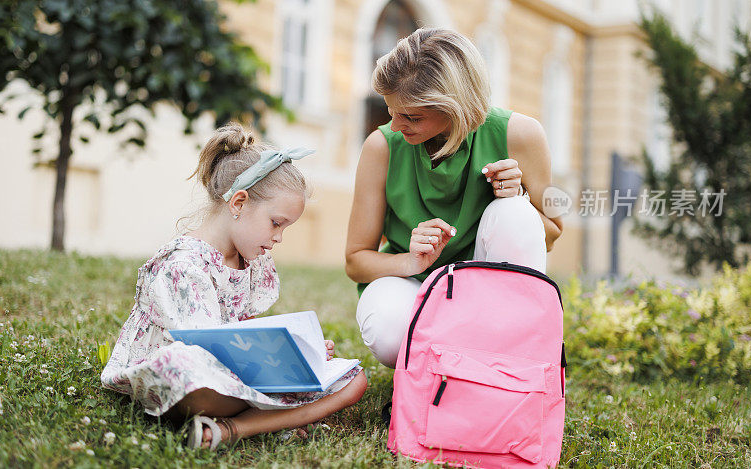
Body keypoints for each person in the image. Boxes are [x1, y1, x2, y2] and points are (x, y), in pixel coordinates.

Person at [101, 122, 367, 450]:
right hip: (195, 374)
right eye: (276, 223)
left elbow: (240, 332)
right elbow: (205, 346)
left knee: (354, 380)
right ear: (238, 204)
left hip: (238, 372)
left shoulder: (249, 260)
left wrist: (297, 352)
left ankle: (232, 429)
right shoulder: (185, 265)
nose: (278, 238)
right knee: (186, 368)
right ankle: (273, 416)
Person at [346, 28, 563, 368]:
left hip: (492, 290)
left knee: (515, 214)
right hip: (413, 284)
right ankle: (447, 369)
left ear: (456, 106)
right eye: (392, 111)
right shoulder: (381, 146)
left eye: (412, 116)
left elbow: (552, 231)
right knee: (389, 333)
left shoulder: (523, 134)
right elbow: (356, 261)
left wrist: (518, 197)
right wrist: (410, 262)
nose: (396, 125)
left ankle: (506, 364)